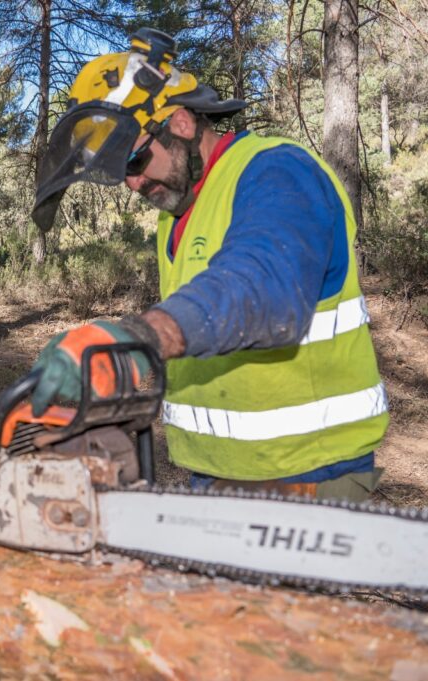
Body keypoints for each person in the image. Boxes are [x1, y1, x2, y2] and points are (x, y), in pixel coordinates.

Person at [29, 29, 389, 501]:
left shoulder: (277, 171)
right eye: (122, 174)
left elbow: (263, 286)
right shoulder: (178, 214)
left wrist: (141, 337)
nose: (134, 185)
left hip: (311, 470)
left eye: (135, 160)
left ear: (179, 123)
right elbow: (210, 337)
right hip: (217, 473)